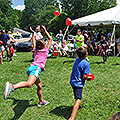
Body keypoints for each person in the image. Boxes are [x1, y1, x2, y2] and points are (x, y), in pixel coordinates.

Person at [3, 25, 53, 107]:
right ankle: (12, 87)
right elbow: (50, 39)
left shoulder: (35, 49)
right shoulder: (45, 50)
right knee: (29, 84)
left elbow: (33, 41)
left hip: (30, 68)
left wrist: (33, 33)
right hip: (36, 68)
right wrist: (45, 31)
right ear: (44, 45)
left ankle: (41, 101)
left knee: (39, 86)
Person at [68, 46, 91, 120]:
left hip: (72, 81)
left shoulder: (77, 59)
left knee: (76, 95)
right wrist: (88, 78)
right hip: (78, 83)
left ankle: (77, 106)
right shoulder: (86, 64)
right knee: (79, 99)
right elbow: (84, 76)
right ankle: (72, 117)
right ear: (86, 54)